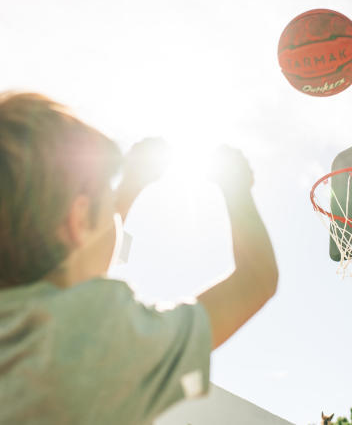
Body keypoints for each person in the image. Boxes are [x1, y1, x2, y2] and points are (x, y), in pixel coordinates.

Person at [0, 92, 278, 424]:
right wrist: (235, 186)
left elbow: (86, 249)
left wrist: (131, 184)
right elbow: (256, 279)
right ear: (78, 221)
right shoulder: (90, 340)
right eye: (108, 195)